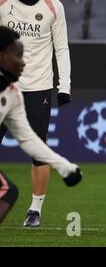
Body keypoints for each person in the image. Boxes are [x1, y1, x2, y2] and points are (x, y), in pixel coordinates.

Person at [0, 0, 72, 227]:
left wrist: (64, 86)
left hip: (38, 88)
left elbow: (61, 49)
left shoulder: (54, 6)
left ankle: (35, 211)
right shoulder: (2, 3)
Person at [0, 26, 81, 225]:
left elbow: (29, 139)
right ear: (1, 56)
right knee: (7, 191)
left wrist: (65, 167)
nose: (23, 63)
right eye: (18, 56)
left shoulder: (12, 94)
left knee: (8, 192)